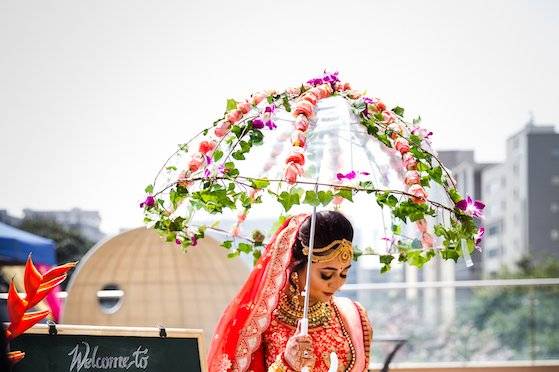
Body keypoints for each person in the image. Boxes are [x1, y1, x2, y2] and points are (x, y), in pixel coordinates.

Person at [208, 211, 372, 372]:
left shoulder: (352, 317)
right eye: (326, 275)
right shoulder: (260, 323)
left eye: (344, 273)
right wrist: (285, 364)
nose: (337, 284)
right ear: (297, 264)